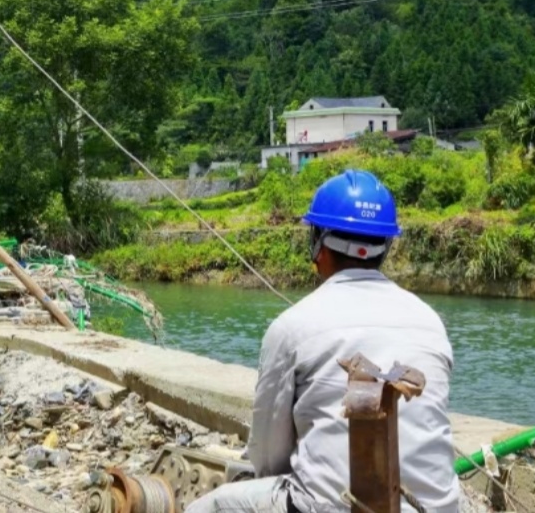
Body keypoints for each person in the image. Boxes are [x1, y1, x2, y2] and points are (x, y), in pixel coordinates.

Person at [186, 169, 457, 513]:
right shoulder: (430, 321)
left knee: (209, 506)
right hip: (437, 508)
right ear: (385, 247)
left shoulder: (292, 326)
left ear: (318, 245)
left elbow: (269, 458)